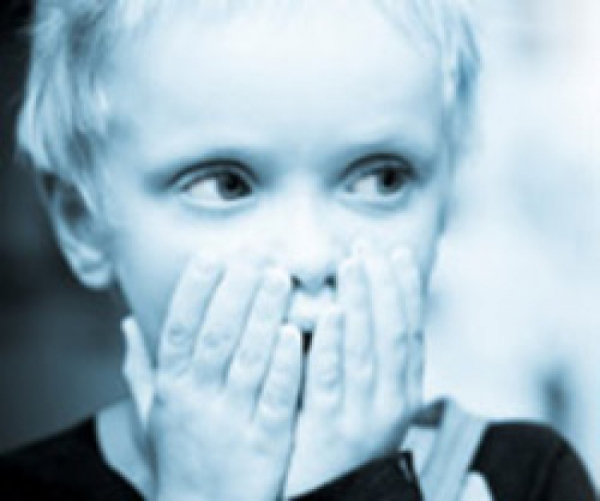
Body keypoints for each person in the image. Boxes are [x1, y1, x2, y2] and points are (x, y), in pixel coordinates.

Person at [1, 0, 596, 500]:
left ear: (447, 202)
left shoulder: (530, 480)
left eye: (382, 179)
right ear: (83, 222)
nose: (310, 258)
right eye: (226, 185)